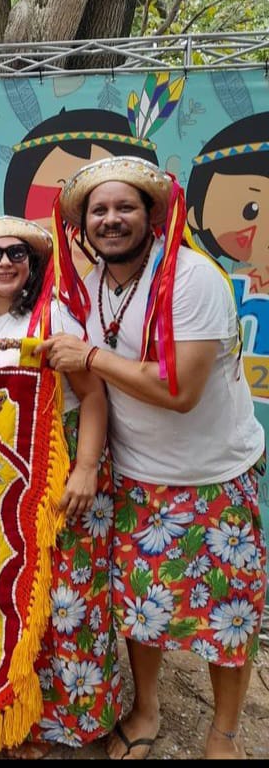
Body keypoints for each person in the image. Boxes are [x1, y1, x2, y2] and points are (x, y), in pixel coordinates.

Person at [36, 156, 267, 761]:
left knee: (229, 614)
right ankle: (145, 708)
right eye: (99, 210)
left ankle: (224, 732)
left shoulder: (194, 279)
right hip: (138, 475)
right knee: (142, 606)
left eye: (125, 207)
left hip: (215, 475)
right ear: (83, 224)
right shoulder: (90, 287)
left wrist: (90, 357)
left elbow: (179, 390)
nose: (111, 220)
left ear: (152, 215)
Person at [0, 215, 121, 757]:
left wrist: (85, 469)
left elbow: (92, 396)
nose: (4, 263)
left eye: (16, 253)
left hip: (57, 463)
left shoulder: (53, 316)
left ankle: (69, 720)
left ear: (33, 264)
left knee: (65, 594)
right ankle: (14, 711)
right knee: (13, 592)